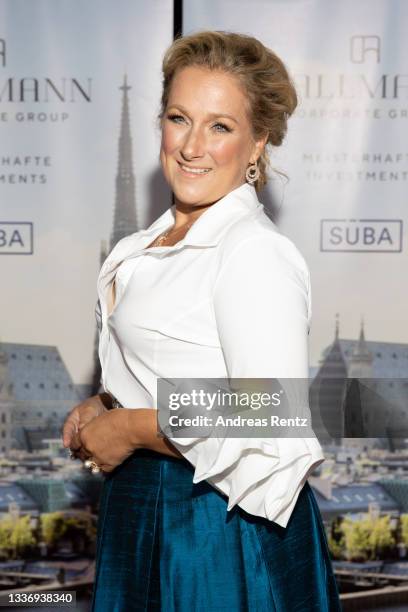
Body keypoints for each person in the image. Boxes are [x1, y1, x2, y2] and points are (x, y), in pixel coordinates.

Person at [62, 31, 342, 611]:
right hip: (147, 513)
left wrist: (135, 428)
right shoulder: (152, 242)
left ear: (257, 142)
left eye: (220, 126)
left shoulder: (250, 250)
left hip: (217, 528)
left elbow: (272, 407)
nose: (192, 146)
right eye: (179, 117)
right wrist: (108, 405)